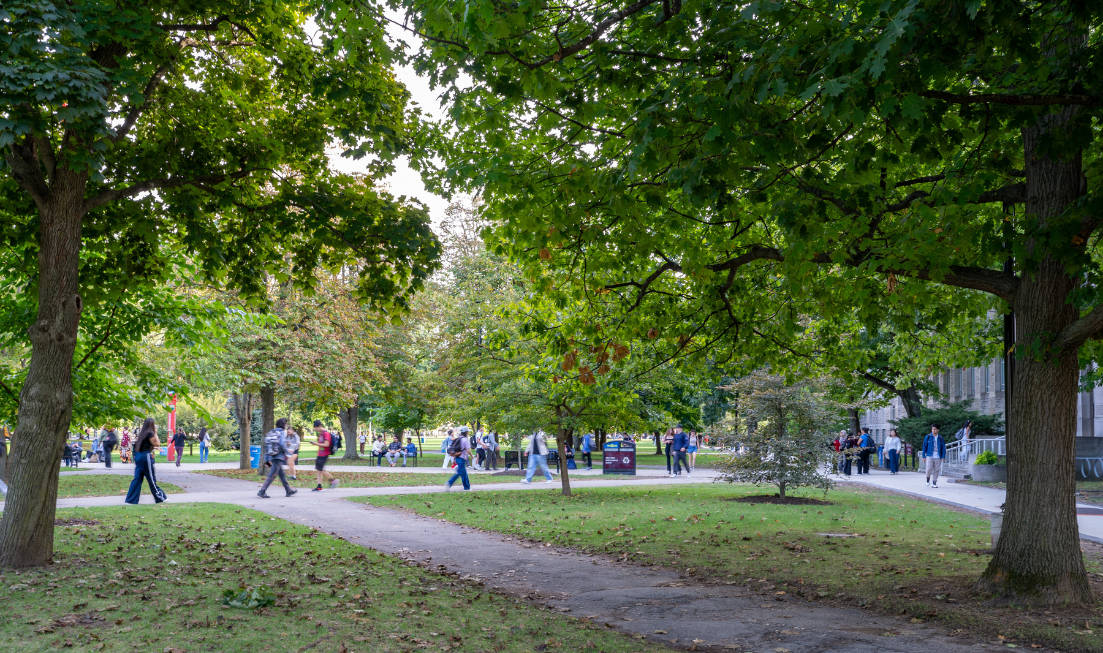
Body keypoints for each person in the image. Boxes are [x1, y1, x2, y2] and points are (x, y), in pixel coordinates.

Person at [125, 417, 167, 504]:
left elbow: (145, 445)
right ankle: (160, 497)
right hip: (146, 457)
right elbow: (157, 443)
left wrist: (155, 447)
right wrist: (155, 432)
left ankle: (130, 500)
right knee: (151, 478)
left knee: (137, 478)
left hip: (139, 456)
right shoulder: (150, 433)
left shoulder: (142, 433)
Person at [257, 418, 298, 498]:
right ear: (284, 425)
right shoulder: (282, 432)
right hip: (278, 456)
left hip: (272, 455)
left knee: (281, 474)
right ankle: (262, 491)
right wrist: (287, 450)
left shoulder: (272, 432)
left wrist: (267, 459)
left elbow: (267, 445)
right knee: (273, 473)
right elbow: (282, 443)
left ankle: (288, 490)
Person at [311, 420, 339, 491]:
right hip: (320, 454)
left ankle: (333, 480)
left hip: (324, 454)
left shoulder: (326, 434)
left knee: (320, 469)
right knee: (318, 469)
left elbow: (326, 444)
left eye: (316, 428)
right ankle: (319, 485)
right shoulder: (321, 434)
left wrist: (316, 443)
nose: (315, 429)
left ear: (319, 426)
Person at [445, 426, 472, 491]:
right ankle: (449, 483)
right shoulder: (465, 439)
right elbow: (468, 450)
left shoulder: (458, 438)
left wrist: (454, 459)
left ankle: (467, 487)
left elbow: (456, 449)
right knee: (460, 472)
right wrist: (472, 456)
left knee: (464, 473)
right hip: (462, 458)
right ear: (466, 432)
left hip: (457, 457)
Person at [922, 423, 946, 489]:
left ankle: (934, 482)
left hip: (938, 456)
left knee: (936, 469)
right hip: (930, 455)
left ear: (938, 430)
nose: (933, 430)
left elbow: (943, 447)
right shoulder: (928, 437)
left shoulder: (940, 438)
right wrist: (923, 456)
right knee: (929, 468)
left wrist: (943, 456)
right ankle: (927, 478)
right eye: (932, 429)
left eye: (935, 429)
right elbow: (924, 446)